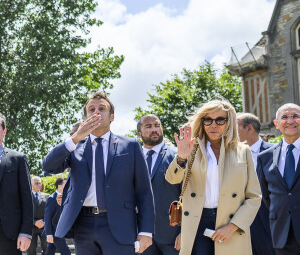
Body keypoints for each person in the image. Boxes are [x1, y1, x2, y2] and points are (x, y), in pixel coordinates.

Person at [42, 91, 154, 255]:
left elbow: (144, 191)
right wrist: (75, 137)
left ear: (112, 116)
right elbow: (49, 166)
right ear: (85, 117)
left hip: (120, 225)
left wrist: (146, 231)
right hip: (83, 226)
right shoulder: (75, 147)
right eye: (91, 109)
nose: (96, 112)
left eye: (102, 108)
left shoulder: (130, 146)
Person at [165, 100, 261, 255]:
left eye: (220, 120)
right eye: (208, 120)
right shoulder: (191, 148)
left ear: (228, 122)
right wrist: (181, 157)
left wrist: (233, 226)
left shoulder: (243, 151)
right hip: (198, 221)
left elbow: (254, 197)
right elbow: (172, 179)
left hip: (231, 222)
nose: (213, 125)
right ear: (201, 122)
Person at [257, 103, 300, 254]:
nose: (290, 121)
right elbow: (266, 196)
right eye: (284, 117)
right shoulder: (265, 157)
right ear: (276, 124)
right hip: (282, 235)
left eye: (295, 116)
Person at [137, 114, 181, 254]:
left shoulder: (177, 156)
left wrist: (185, 231)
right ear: (139, 134)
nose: (154, 129)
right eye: (148, 126)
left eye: (157, 125)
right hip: (142, 235)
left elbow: (189, 195)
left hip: (173, 236)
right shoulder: (132, 159)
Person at [237, 113, 275, 255]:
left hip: (268, 218)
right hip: (241, 219)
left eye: (236, 128)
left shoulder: (274, 152)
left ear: (250, 128)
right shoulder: (232, 154)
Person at [0, 112, 33, 254]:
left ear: (4, 131)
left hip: (9, 233)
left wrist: (26, 232)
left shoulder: (18, 159)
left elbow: (27, 198)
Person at [44, 177, 71, 255]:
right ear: (59, 186)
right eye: (66, 184)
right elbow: (47, 217)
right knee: (66, 252)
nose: (68, 186)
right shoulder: (52, 198)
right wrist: (49, 234)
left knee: (50, 251)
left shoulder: (65, 198)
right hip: (54, 231)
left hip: (59, 231)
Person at [27, 176, 49, 255]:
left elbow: (50, 212)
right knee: (31, 249)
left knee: (47, 247)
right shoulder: (27, 197)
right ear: (31, 184)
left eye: (40, 183)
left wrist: (44, 222)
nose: (39, 184)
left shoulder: (47, 196)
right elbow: (25, 213)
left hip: (44, 225)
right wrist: (34, 222)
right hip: (31, 226)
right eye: (36, 183)